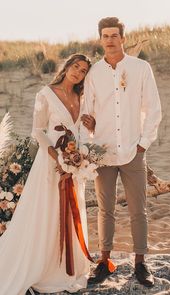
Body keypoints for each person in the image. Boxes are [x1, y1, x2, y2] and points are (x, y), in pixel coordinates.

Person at [0, 53, 95, 294]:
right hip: (51, 162)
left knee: (72, 209)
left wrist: (79, 155)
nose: (78, 72)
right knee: (47, 211)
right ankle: (43, 264)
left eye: (83, 70)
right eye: (76, 66)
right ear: (67, 66)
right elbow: (38, 131)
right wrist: (58, 157)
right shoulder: (45, 94)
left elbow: (83, 133)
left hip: (73, 166)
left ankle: (66, 266)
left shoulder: (81, 97)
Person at [81, 17, 162, 287]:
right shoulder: (93, 73)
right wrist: (90, 131)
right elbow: (86, 111)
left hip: (132, 150)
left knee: (138, 209)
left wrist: (143, 143)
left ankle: (140, 264)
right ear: (100, 39)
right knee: (106, 210)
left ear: (123, 38)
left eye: (115, 35)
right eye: (105, 36)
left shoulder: (141, 68)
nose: (110, 40)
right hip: (102, 151)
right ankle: (104, 262)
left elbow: (153, 108)